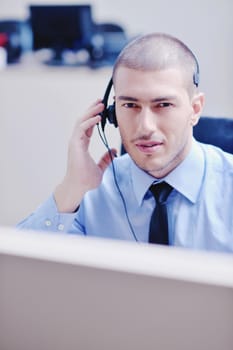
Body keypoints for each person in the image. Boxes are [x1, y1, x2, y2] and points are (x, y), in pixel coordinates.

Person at [17, 32, 233, 253]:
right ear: (111, 113)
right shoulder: (92, 191)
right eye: (130, 105)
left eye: (163, 105)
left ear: (195, 109)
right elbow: (16, 271)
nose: (145, 126)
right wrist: (71, 188)